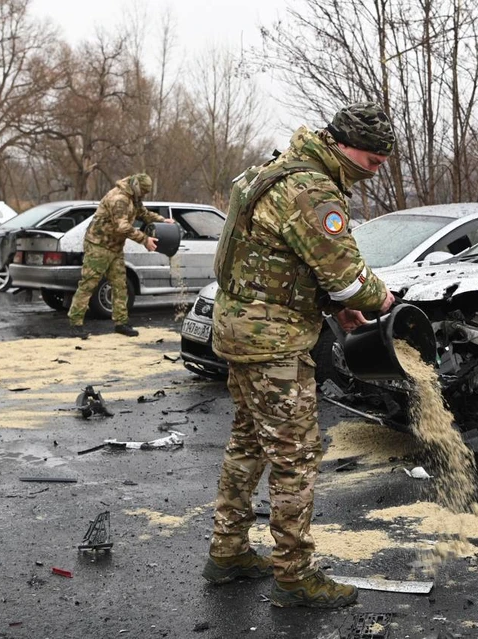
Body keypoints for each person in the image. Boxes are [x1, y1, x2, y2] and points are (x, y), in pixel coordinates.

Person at [201, 102, 396, 608]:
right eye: (371, 160)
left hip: (239, 331)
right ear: (341, 142)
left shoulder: (275, 169)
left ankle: (228, 552)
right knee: (296, 456)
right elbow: (346, 274)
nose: (373, 170)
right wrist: (376, 299)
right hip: (273, 345)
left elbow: (277, 259)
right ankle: (294, 578)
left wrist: (336, 309)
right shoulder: (311, 188)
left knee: (248, 443)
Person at [67, 173, 175, 337]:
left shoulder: (133, 197)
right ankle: (75, 322)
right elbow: (122, 227)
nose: (143, 196)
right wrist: (144, 240)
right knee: (89, 283)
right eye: (143, 193)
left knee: (120, 285)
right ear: (137, 186)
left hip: (115, 247)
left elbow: (143, 213)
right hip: (98, 245)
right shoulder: (119, 199)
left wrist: (162, 220)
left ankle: (121, 323)